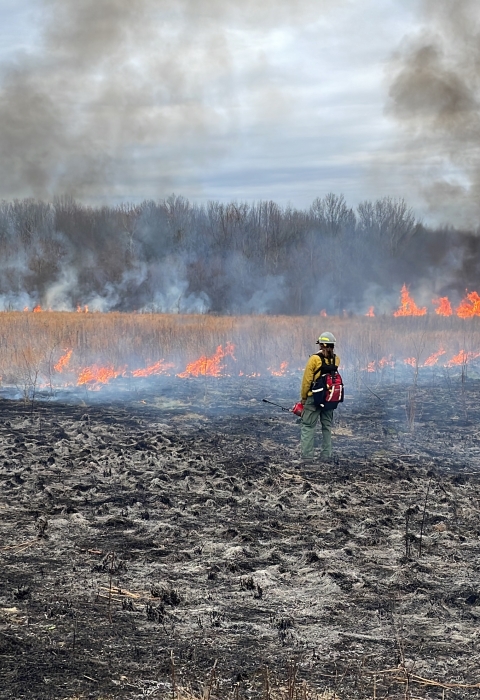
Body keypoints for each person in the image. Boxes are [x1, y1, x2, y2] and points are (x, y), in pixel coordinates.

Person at [299, 331, 340, 462]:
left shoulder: (314, 359)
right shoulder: (336, 359)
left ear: (321, 345)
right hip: (329, 398)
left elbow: (306, 381)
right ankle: (326, 455)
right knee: (327, 426)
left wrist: (304, 398)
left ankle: (307, 457)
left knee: (308, 426)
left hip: (314, 398)